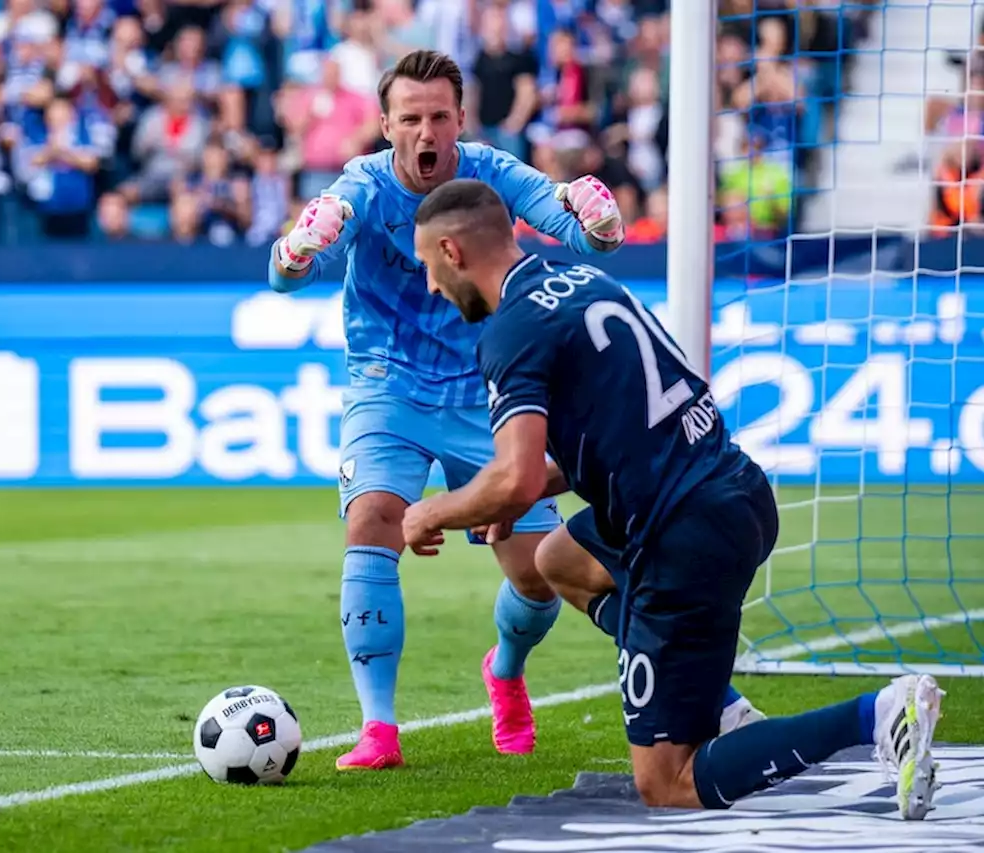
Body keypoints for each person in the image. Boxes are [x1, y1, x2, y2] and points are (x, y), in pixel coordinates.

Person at [266, 49, 762, 771]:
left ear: (460, 119)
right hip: (388, 385)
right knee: (371, 518)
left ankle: (505, 667)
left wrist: (598, 220)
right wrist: (296, 245)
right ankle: (378, 726)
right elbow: (285, 274)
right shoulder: (362, 188)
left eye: (439, 115)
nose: (426, 131)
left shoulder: (492, 174)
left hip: (485, 389)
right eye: (410, 118)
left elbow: (577, 228)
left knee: (535, 572)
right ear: (386, 125)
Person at [401, 177, 944, 819]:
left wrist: (433, 510)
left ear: (452, 251)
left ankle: (876, 714)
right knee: (557, 560)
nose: (432, 286)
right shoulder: (586, 284)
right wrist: (515, 499)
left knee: (667, 783)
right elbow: (616, 436)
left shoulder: (510, 332)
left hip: (679, 536)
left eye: (429, 267)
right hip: (733, 490)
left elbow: (513, 476)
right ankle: (720, 706)